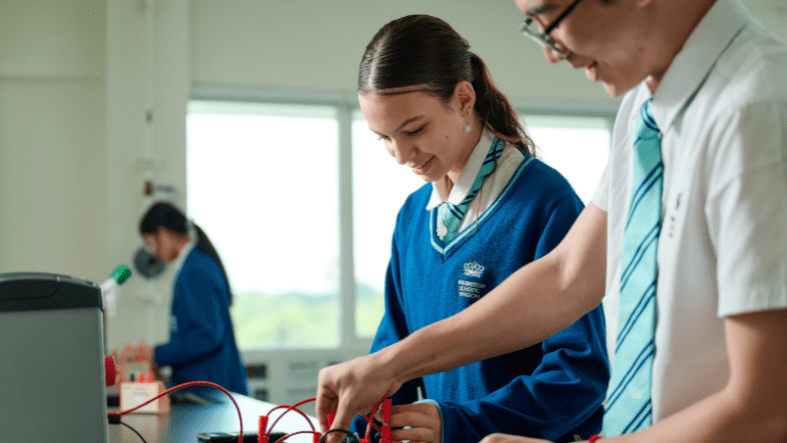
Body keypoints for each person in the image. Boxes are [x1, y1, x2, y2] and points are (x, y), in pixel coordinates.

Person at [317, 1, 787, 442]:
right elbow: (568, 276)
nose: (550, 53)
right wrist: (388, 366)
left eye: (549, 16)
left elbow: (768, 406)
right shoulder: (643, 111)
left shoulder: (759, 108)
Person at [343, 14, 609, 443]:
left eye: (414, 130)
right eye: (384, 138)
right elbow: (391, 360)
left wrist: (462, 423)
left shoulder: (544, 201)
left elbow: (579, 374)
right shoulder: (413, 216)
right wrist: (357, 422)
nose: (400, 154)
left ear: (464, 99)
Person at [132, 201, 248, 395]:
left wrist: (157, 354)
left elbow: (208, 335)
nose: (153, 253)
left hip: (211, 388)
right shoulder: (194, 264)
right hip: (207, 386)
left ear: (163, 233)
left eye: (151, 244)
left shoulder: (195, 269)